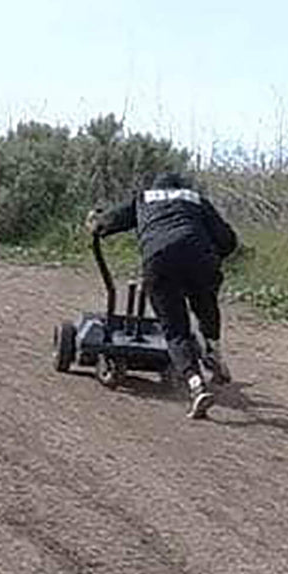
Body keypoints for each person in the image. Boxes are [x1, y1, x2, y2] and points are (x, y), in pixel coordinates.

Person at [86, 170, 238, 419]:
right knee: (205, 303)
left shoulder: (143, 198)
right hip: (200, 255)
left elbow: (107, 223)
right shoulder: (195, 199)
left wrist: (95, 223)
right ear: (182, 187)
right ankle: (213, 350)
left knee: (175, 329)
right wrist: (215, 256)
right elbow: (228, 241)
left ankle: (196, 384)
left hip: (159, 259)